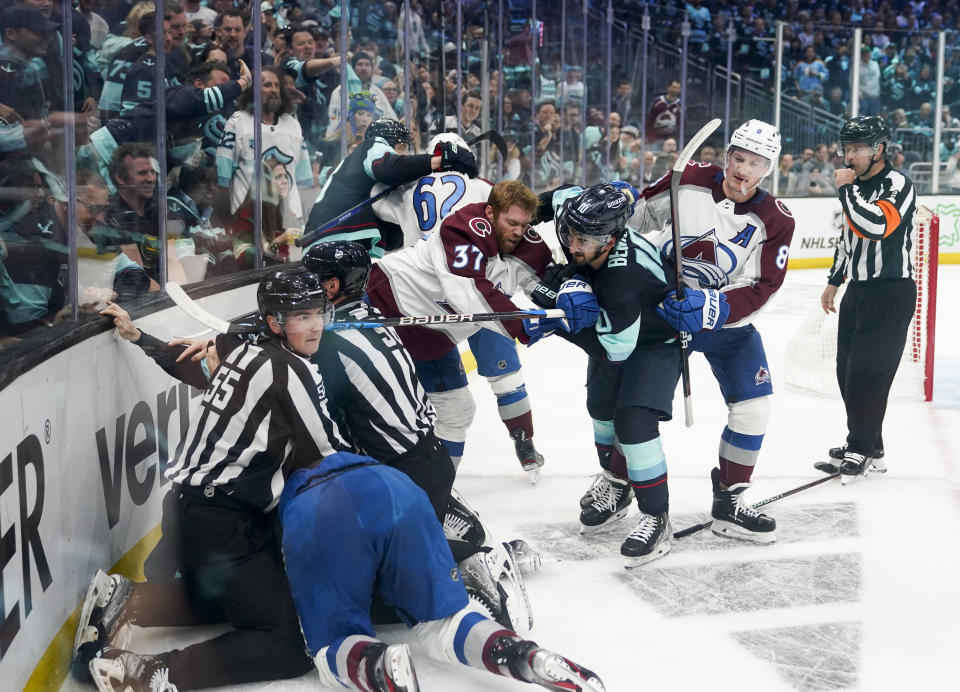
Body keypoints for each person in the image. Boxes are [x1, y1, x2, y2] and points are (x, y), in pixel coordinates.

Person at [73, 270, 351, 690]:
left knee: (252, 598)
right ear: (274, 322)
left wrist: (139, 338)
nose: (315, 325)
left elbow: (188, 366)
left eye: (319, 313)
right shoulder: (290, 370)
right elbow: (329, 456)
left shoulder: (242, 352)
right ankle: (143, 672)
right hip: (223, 527)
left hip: (187, 513)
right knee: (289, 643)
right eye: (301, 316)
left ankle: (130, 602)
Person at [645, 120, 795, 545]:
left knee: (755, 406)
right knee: (639, 406)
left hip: (727, 324)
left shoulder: (776, 220)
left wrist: (714, 306)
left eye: (756, 163)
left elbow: (764, 286)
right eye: (739, 158)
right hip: (666, 313)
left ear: (768, 169)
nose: (743, 170)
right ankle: (619, 484)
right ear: (727, 155)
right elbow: (638, 217)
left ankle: (730, 500)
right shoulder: (689, 179)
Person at [371, 132, 550, 482]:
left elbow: (377, 197)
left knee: (442, 399)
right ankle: (525, 445)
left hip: (426, 294)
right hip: (475, 287)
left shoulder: (411, 186)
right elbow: (514, 212)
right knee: (505, 376)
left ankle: (432, 482)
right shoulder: (482, 186)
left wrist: (419, 167)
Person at [529, 182, 681, 567]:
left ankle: (656, 517)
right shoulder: (578, 214)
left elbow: (615, 351)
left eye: (585, 239)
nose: (573, 244)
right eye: (569, 233)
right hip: (614, 325)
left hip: (655, 340)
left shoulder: (622, 278)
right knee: (599, 407)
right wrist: (532, 213)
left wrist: (558, 322)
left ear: (611, 240)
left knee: (633, 422)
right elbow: (565, 193)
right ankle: (617, 484)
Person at [820, 116, 917, 483]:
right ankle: (869, 446)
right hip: (858, 290)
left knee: (868, 375)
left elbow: (875, 227)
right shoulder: (856, 185)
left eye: (857, 148)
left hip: (891, 292)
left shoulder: (897, 184)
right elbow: (848, 238)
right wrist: (834, 281)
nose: (849, 156)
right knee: (847, 374)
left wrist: (845, 191)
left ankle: (860, 447)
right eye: (846, 148)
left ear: (879, 149)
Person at [304, 118, 478, 257]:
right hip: (337, 236)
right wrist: (444, 159)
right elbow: (389, 168)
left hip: (339, 238)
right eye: (402, 147)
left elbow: (396, 237)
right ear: (387, 142)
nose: (406, 155)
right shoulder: (373, 144)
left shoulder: (363, 179)